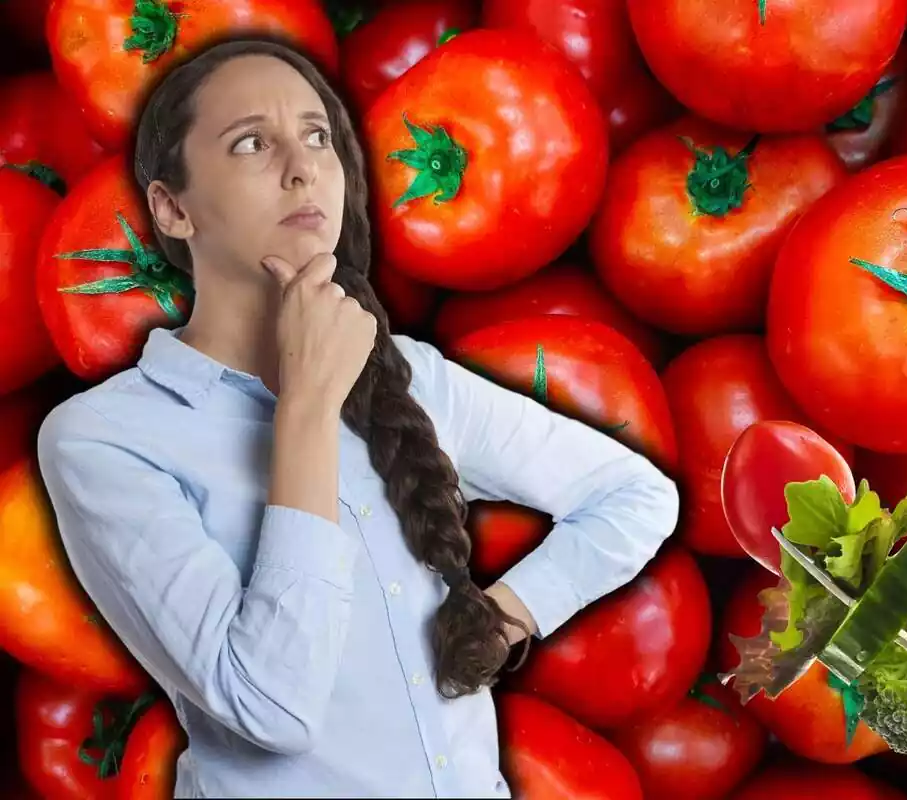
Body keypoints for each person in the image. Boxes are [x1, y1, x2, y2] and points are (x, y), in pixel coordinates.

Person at [35, 36, 679, 799]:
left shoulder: (416, 380)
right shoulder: (104, 442)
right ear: (173, 209)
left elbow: (637, 498)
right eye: (251, 143)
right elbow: (268, 705)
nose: (302, 166)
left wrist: (504, 614)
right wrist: (305, 409)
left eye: (318, 137)